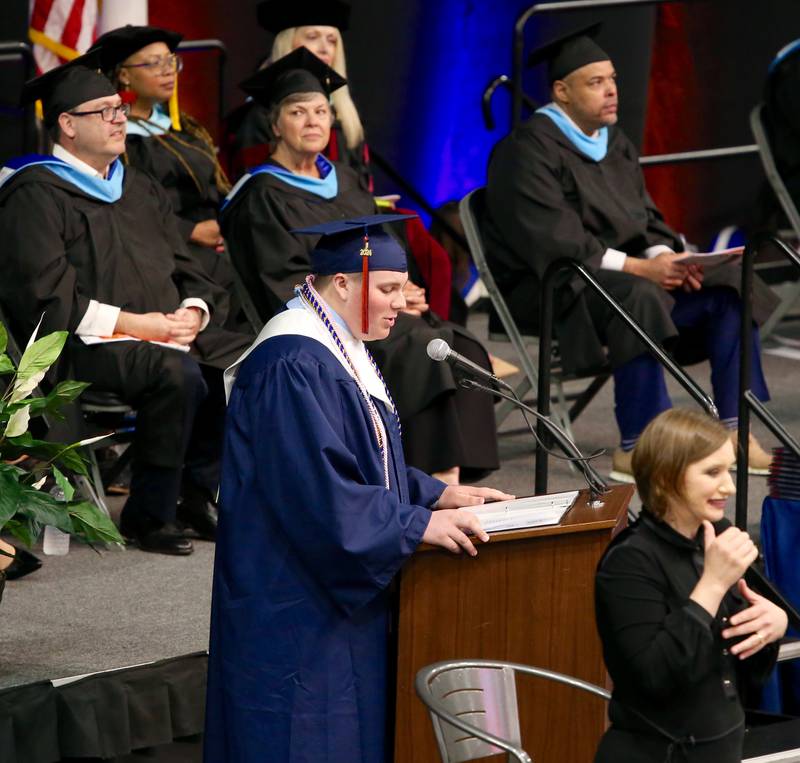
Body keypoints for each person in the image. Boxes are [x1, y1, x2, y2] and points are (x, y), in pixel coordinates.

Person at [204, 214, 512, 762]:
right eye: (389, 288)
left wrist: (433, 494)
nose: (401, 303)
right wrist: (418, 523)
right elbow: (316, 490)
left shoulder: (337, 345)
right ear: (343, 283)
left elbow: (358, 461)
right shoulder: (292, 361)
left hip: (324, 587)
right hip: (291, 594)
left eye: (403, 288)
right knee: (301, 734)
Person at [484, 24, 778, 482]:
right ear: (562, 92)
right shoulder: (526, 151)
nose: (611, 91)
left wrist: (670, 261)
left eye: (613, 80)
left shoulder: (615, 142)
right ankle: (640, 445)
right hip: (557, 288)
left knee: (729, 285)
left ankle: (736, 429)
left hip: (625, 281)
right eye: (595, 82)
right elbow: (555, 241)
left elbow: (646, 217)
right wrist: (643, 268)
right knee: (635, 295)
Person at [0, 52, 250, 555]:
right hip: (80, 346)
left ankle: (198, 494)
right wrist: (140, 326)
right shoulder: (36, 192)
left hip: (161, 331)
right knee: (176, 374)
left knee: (246, 359)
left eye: (120, 107)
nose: (120, 119)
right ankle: (149, 515)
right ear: (68, 124)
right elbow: (43, 295)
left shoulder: (138, 187)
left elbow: (187, 265)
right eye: (105, 111)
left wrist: (192, 312)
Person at [221, 48, 499, 483]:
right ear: (275, 125)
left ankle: (449, 481)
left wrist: (399, 290)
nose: (313, 121)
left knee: (461, 346)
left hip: (375, 313)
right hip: (325, 325)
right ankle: (427, 484)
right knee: (423, 350)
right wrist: (378, 300)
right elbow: (280, 281)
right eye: (298, 112)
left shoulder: (346, 179)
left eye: (321, 111)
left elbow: (385, 247)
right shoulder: (260, 194)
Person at [594, 408, 787, 761]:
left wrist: (773, 625)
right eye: (712, 472)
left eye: (728, 469)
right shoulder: (629, 561)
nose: (729, 486)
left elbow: (743, 671)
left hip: (721, 745)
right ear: (665, 478)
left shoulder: (719, 534)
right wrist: (712, 585)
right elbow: (651, 678)